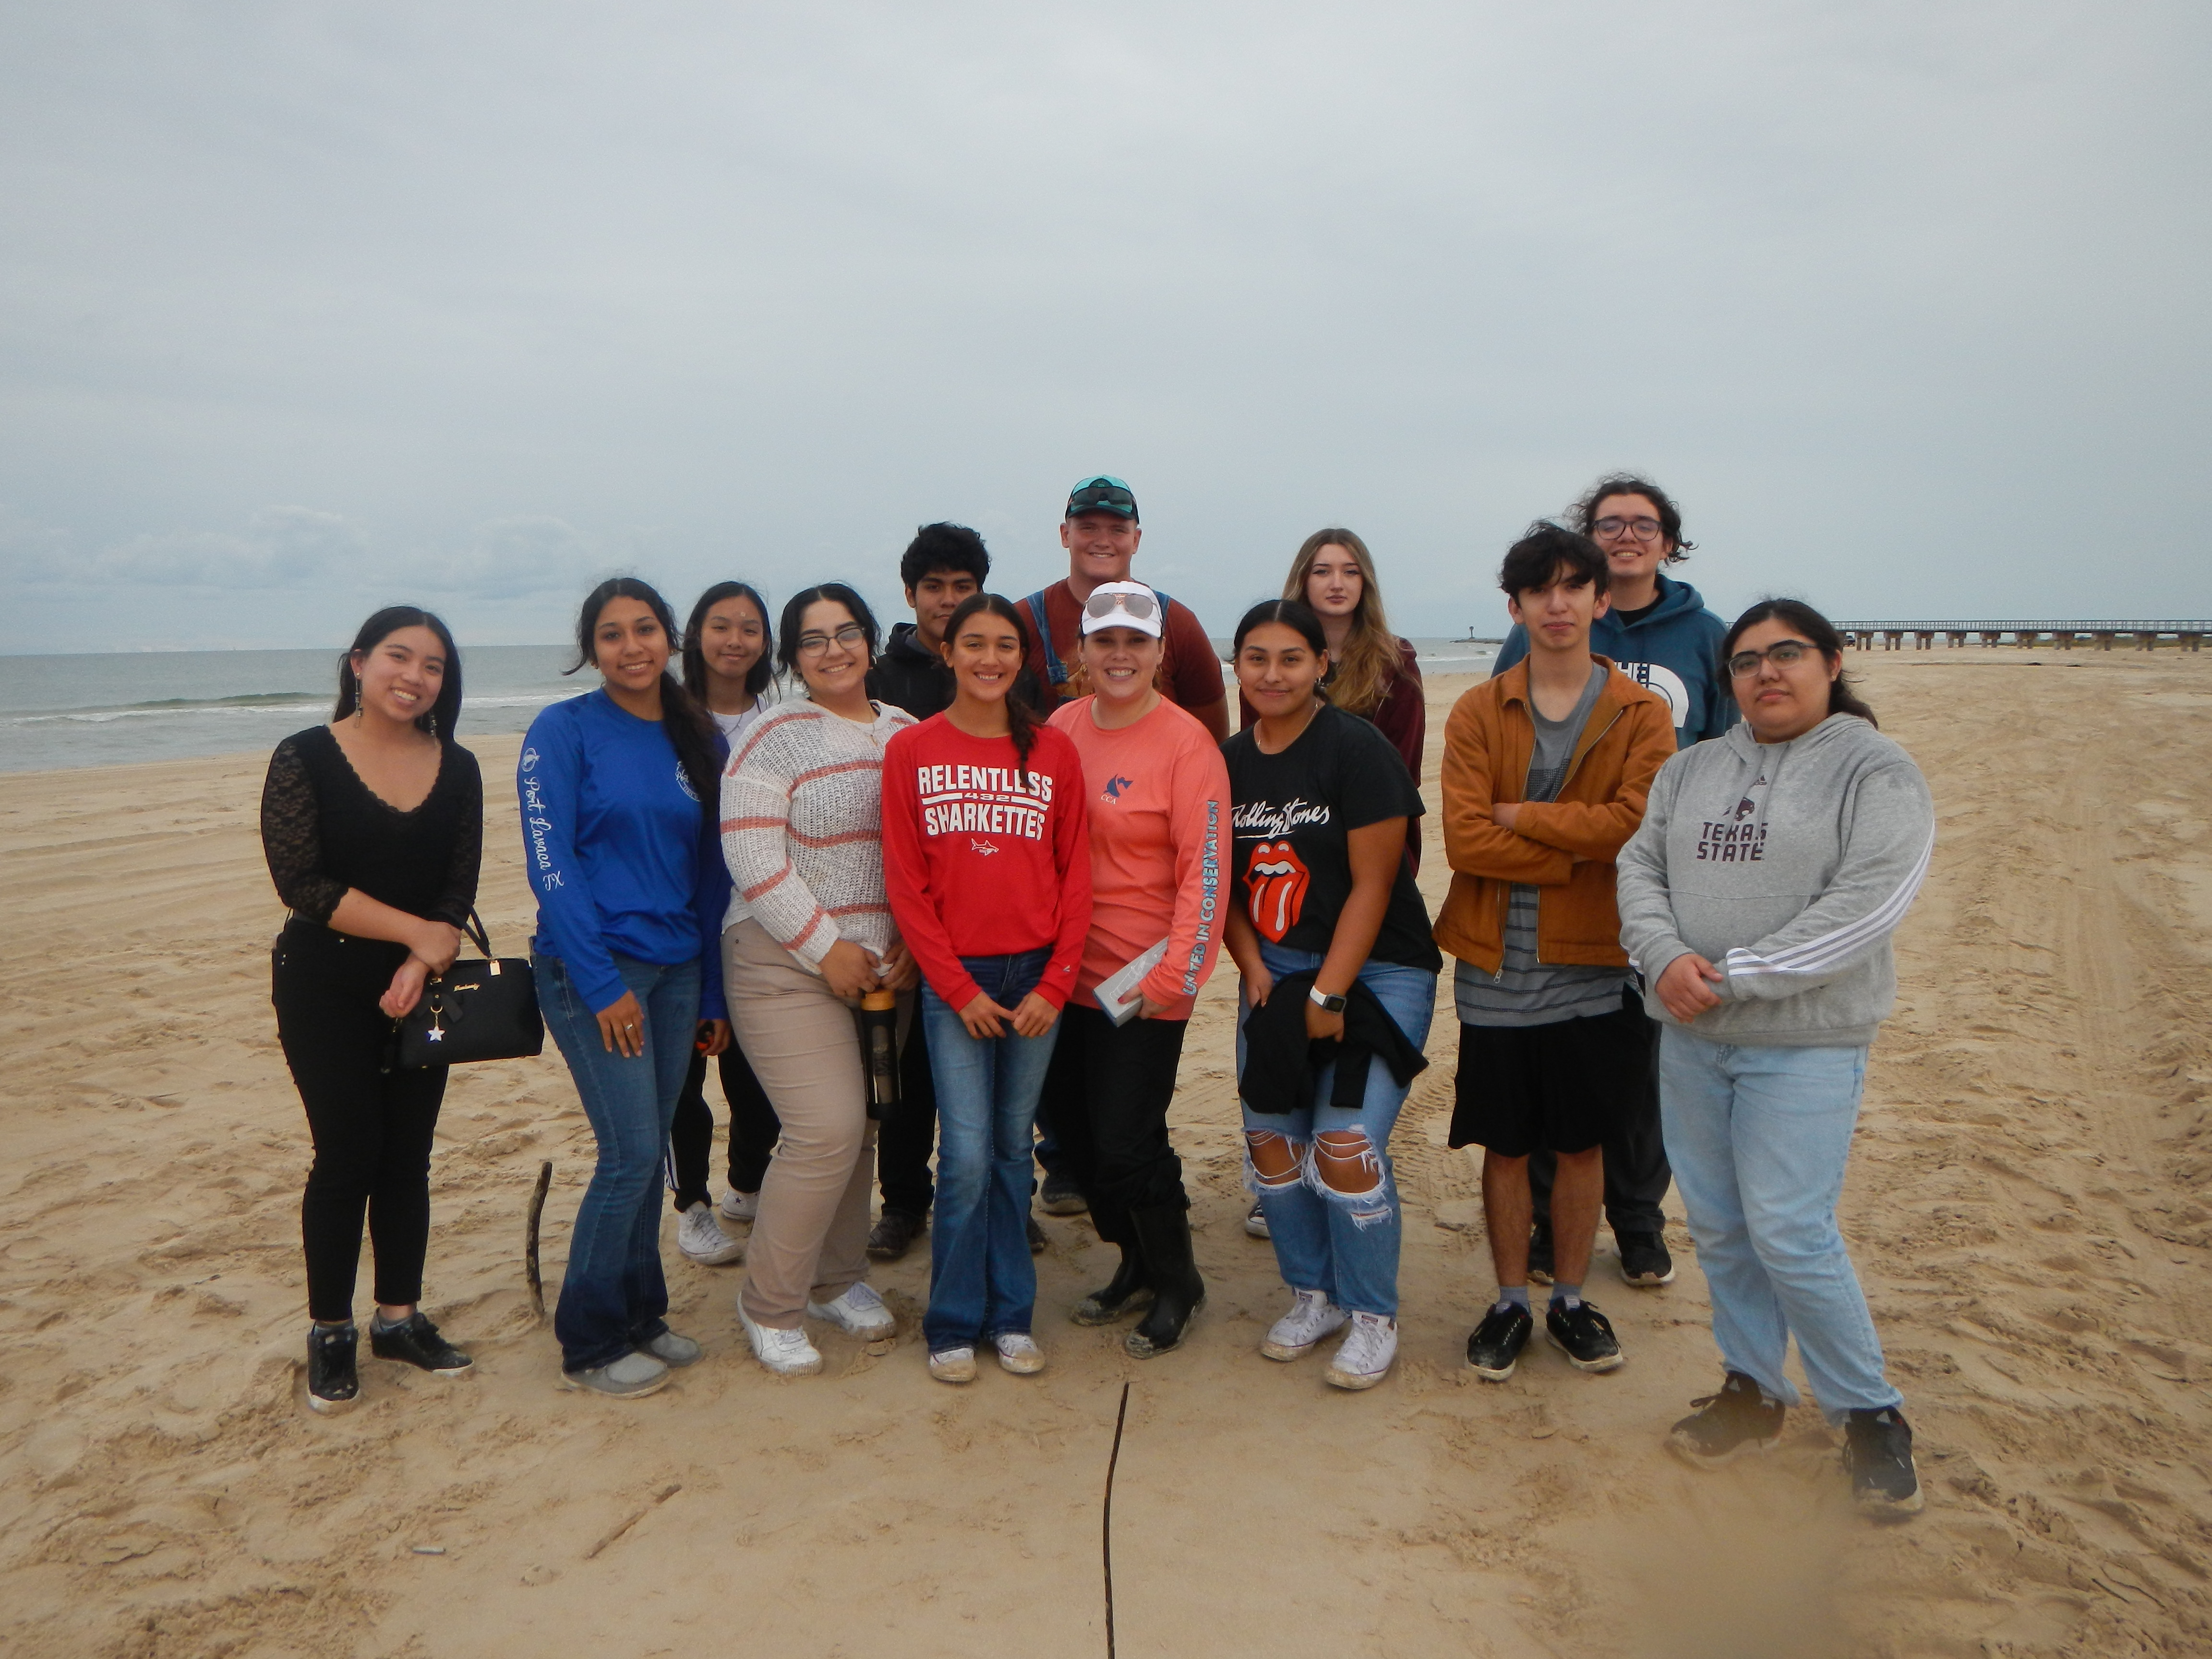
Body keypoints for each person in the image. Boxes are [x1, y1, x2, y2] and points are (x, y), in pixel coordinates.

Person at [1617, 599, 1935, 1516]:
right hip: (1690, 1038)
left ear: (1830, 662)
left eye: (1785, 653)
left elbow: (1872, 900)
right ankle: (1751, 1388)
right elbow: (1638, 868)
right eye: (1746, 659)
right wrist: (1663, 958)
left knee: (1790, 1230)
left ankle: (1869, 1413)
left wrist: (1734, 974)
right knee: (1717, 1226)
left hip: (1802, 1042)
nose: (1765, 672)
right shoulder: (1691, 769)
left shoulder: (1875, 769)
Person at [1432, 525, 1675, 1385]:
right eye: (1541, 589)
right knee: (1504, 1143)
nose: (1558, 602)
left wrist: (1521, 817)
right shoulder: (1475, 708)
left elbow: (1635, 824)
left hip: (1593, 958)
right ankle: (1507, 1300)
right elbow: (1465, 841)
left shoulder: (1641, 714)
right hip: (1493, 959)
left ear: (1601, 601)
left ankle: (1569, 1298)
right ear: (1516, 606)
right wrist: (1578, 844)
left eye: (1575, 586)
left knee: (1578, 1144)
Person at [1494, 475, 1732, 1289]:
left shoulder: (1704, 635)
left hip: (1665, 879)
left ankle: (1635, 1220)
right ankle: (1537, 1227)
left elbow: (1735, 751)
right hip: (1552, 889)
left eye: (1643, 524)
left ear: (1668, 540)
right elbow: (1498, 752)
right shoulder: (1541, 627)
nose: (1626, 535)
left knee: (1643, 1056)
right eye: (1608, 524)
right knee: (1544, 1051)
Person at [262, 607, 481, 1413]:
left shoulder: (456, 768)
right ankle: (330, 1330)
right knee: (346, 1150)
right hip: (322, 979)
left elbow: (457, 886)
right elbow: (303, 884)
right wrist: (414, 935)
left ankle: (399, 1317)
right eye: (398, 656)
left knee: (408, 1154)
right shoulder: (306, 757)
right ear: (358, 662)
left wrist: (427, 956)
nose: (414, 676)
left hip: (424, 988)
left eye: (432, 666)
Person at [521, 578, 731, 1399]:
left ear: (669, 639)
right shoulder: (562, 730)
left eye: (645, 629)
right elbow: (553, 866)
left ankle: (642, 1316)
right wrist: (601, 980)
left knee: (653, 1160)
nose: (631, 646)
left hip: (679, 970)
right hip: (592, 971)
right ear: (592, 648)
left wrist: (711, 992)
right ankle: (590, 1336)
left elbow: (711, 874)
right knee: (630, 1154)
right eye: (612, 635)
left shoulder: (694, 734)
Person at [1224, 600, 1440, 1392]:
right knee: (1273, 1147)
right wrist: (1252, 968)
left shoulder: (1357, 749)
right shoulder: (1228, 762)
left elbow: (1376, 883)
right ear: (1236, 668)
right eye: (1255, 658)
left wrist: (1328, 990)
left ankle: (1371, 1313)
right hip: (1273, 968)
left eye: (1290, 658)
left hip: (1378, 969)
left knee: (1343, 1148)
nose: (1271, 674)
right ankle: (1311, 1295)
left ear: (1322, 664)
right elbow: (1224, 893)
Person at [882, 593, 1092, 1384]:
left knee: (1011, 1151)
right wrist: (955, 989)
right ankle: (950, 1321)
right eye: (974, 643)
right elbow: (907, 885)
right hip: (956, 984)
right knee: (964, 1154)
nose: (990, 658)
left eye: (1005, 645)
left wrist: (1057, 980)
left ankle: (1009, 1317)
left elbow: (1077, 877)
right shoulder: (914, 752)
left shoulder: (1051, 753)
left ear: (1021, 657)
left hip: (1036, 976)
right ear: (948, 651)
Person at [720, 583, 917, 1377]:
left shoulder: (907, 732)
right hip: (782, 960)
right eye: (812, 639)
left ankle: (838, 1279)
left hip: (883, 971)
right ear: (792, 658)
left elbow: (916, 852)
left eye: (846, 633)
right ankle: (770, 1301)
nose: (833, 650)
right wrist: (824, 944)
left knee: (864, 1125)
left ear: (870, 641)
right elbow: (752, 854)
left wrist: (907, 941)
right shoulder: (772, 732)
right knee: (824, 1128)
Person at [1040, 582, 1229, 1357]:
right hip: (1061, 979)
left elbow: (1206, 869)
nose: (1119, 655)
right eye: (1104, 640)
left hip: (1144, 984)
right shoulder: (1057, 728)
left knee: (1126, 1141)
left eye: (1135, 641)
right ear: (1080, 651)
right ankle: (1134, 1262)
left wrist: (1172, 979)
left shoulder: (1186, 743)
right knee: (1075, 1144)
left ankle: (1177, 1278)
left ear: (1159, 652)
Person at [861, 523, 1046, 1262]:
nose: (947, 600)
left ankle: (1014, 1204)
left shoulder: (1012, 675)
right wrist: (905, 933)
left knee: (1006, 1098)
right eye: (933, 588)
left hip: (999, 930)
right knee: (907, 1080)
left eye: (961, 587)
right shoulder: (883, 678)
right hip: (904, 923)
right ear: (911, 598)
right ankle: (905, 1202)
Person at [1238, 527, 1427, 1242]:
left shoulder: (1393, 668)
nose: (1337, 582)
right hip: (1288, 917)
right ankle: (1296, 1234)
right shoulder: (1266, 689)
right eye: (1323, 571)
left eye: (1351, 571)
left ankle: (1360, 1262)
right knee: (1280, 1118)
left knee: (1347, 1130)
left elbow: (1395, 777)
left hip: (1370, 869)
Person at [666, 581, 781, 1266]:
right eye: (720, 625)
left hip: (759, 922)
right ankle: (692, 1207)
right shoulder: (667, 720)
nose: (735, 639)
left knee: (757, 1074)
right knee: (683, 1081)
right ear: (696, 636)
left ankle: (747, 1183)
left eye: (749, 628)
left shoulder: (778, 721)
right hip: (680, 921)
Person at [1015, 474, 1230, 742]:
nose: (1103, 541)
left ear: (1136, 540)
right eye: (1088, 528)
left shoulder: (1178, 623)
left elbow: (1213, 739)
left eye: (1118, 530)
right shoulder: (1022, 621)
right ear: (1065, 535)